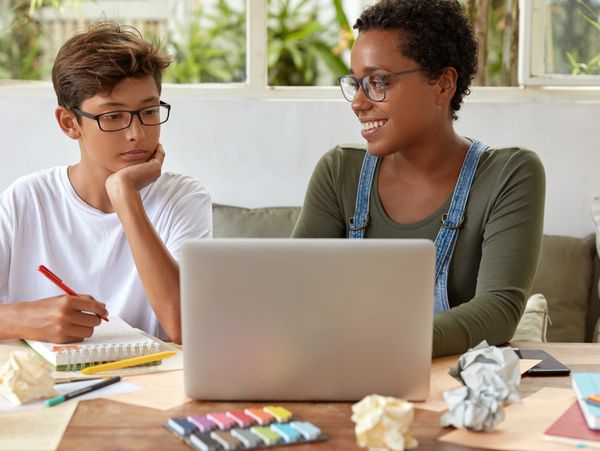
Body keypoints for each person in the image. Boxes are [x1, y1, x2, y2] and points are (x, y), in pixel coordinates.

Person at [292, 0, 545, 357]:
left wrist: (386, 345)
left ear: (443, 85)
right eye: (356, 83)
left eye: (378, 82)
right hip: (345, 374)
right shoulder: (337, 172)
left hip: (450, 391)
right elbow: (295, 291)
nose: (358, 103)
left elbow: (498, 310)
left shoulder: (509, 175)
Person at [0, 22, 211, 344]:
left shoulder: (182, 197)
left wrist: (125, 195)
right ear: (69, 123)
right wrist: (21, 319)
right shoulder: (26, 198)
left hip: (148, 386)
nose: (136, 134)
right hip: (43, 385)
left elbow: (186, 327)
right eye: (113, 116)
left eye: (149, 111)